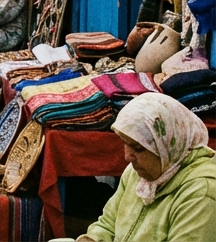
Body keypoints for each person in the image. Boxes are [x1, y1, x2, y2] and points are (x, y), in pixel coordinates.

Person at [77, 93, 216, 242]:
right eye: (125, 143)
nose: (127, 156)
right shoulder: (137, 172)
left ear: (167, 146)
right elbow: (108, 224)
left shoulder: (201, 192)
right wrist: (92, 239)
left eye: (138, 148)